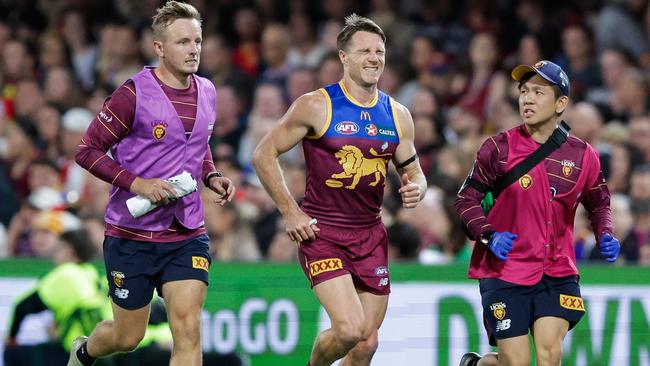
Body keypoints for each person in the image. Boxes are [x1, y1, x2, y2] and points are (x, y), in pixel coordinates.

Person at [252, 14, 427, 366]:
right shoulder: (316, 105)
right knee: (349, 329)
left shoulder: (398, 114)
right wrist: (290, 210)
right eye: (364, 50)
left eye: (379, 50)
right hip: (323, 232)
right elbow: (263, 154)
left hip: (370, 234)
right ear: (344, 58)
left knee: (365, 345)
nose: (374, 57)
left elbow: (414, 171)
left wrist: (417, 188)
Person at [69, 1, 235, 366]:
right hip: (132, 235)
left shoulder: (207, 91)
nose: (193, 50)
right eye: (183, 42)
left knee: (188, 329)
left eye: (197, 41)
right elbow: (87, 150)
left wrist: (211, 175)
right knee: (128, 337)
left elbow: (196, 144)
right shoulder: (132, 94)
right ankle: (84, 352)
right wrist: (138, 183)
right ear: (159, 47)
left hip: (186, 232)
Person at [455, 60, 620, 366]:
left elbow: (599, 204)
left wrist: (606, 233)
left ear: (561, 103)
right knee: (515, 363)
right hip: (504, 270)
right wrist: (488, 235)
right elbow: (466, 199)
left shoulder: (584, 156)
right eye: (524, 91)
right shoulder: (497, 148)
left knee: (549, 356)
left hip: (557, 270)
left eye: (539, 92)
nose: (527, 98)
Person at [4, 229, 106, 366]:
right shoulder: (91, 272)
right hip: (99, 352)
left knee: (12, 354)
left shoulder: (65, 273)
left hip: (73, 352)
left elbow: (22, 306)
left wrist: (11, 339)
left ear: (69, 251)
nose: (54, 255)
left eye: (58, 249)